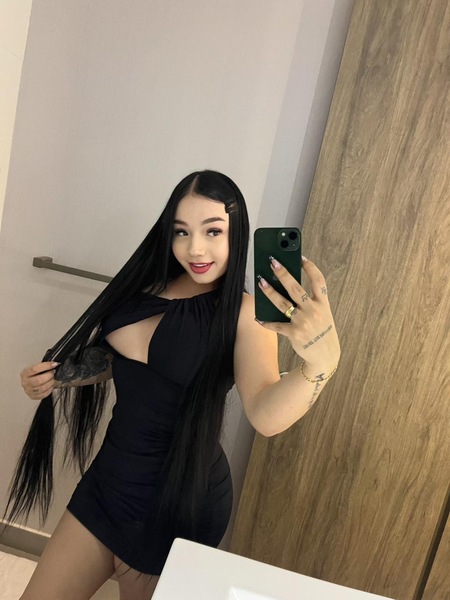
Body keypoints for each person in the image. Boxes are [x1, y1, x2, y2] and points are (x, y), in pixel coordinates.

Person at [7, 170, 340, 600]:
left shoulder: (243, 314)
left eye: (213, 231)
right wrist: (58, 378)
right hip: (108, 483)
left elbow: (264, 414)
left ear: (237, 233)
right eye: (182, 231)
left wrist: (321, 364)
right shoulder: (144, 289)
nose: (194, 248)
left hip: (179, 502)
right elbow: (119, 359)